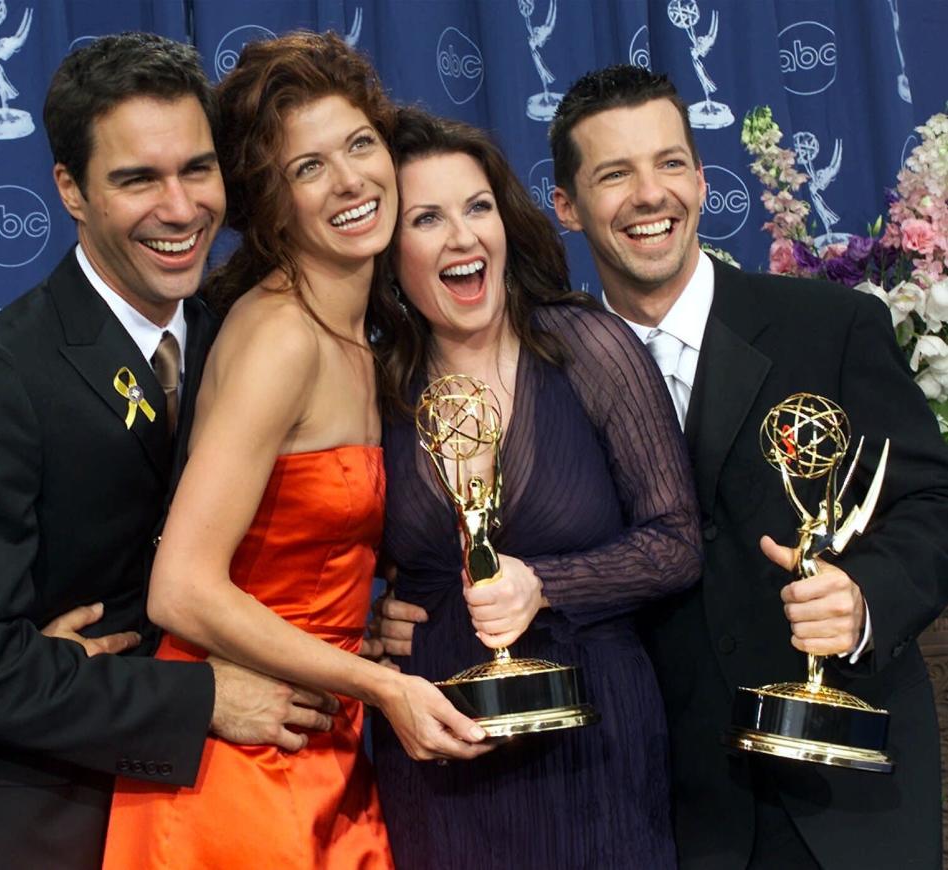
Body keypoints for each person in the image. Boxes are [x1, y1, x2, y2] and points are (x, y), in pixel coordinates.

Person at [0, 34, 335, 869]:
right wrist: (198, 697)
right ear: (71, 190)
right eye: (138, 179)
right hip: (43, 821)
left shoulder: (239, 343)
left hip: (229, 814)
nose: (179, 208)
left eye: (197, 170)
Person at [102, 33, 492, 869]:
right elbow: (181, 589)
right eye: (308, 167)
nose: (351, 180)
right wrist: (381, 684)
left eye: (359, 144)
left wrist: (368, 625)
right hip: (240, 769)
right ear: (270, 203)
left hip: (321, 737)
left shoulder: (366, 333)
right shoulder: (281, 335)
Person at [546, 64, 948, 868]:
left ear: (699, 179)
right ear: (566, 207)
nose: (647, 195)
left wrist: (867, 597)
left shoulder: (830, 326)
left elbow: (933, 501)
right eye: (613, 174)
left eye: (666, 164)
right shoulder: (549, 378)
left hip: (846, 800)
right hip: (668, 813)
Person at [364, 106, 701, 869]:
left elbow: (676, 543)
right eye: (426, 218)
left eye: (477, 207)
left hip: (595, 748)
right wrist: (362, 625)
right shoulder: (373, 383)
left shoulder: (584, 345)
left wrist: (542, 584)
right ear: (388, 251)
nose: (462, 236)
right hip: (441, 758)